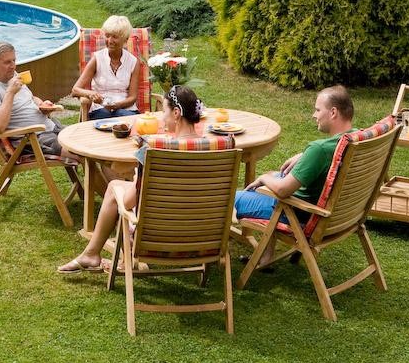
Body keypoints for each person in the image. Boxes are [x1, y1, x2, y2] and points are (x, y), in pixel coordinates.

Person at [57, 85, 205, 274]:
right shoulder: (220, 147)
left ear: (176, 113)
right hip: (203, 234)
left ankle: (93, 255)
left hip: (157, 234)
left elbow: (127, 202)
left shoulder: (153, 149)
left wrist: (136, 178)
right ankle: (95, 255)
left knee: (115, 188)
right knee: (118, 186)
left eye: (164, 111)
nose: (162, 118)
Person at [234, 85, 356, 224]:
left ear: (333, 112)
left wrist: (263, 178)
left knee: (228, 199)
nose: (314, 115)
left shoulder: (320, 150)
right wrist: (305, 155)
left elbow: (282, 190)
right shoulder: (358, 139)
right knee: (270, 178)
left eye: (318, 110)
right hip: (336, 215)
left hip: (292, 210)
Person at [0, 40, 75, 159]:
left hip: (50, 126)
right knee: (80, 152)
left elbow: (30, 97)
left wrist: (41, 104)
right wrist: (10, 92)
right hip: (32, 138)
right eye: (7, 62)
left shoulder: (12, 75)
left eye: (14, 60)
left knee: (85, 141)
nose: (13, 66)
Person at [71, 15, 141, 120]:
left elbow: (132, 97)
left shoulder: (133, 62)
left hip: (126, 109)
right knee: (104, 116)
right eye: (107, 36)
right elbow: (75, 90)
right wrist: (91, 94)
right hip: (101, 109)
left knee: (125, 118)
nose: (110, 40)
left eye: (115, 37)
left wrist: (116, 106)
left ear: (125, 40)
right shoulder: (97, 59)